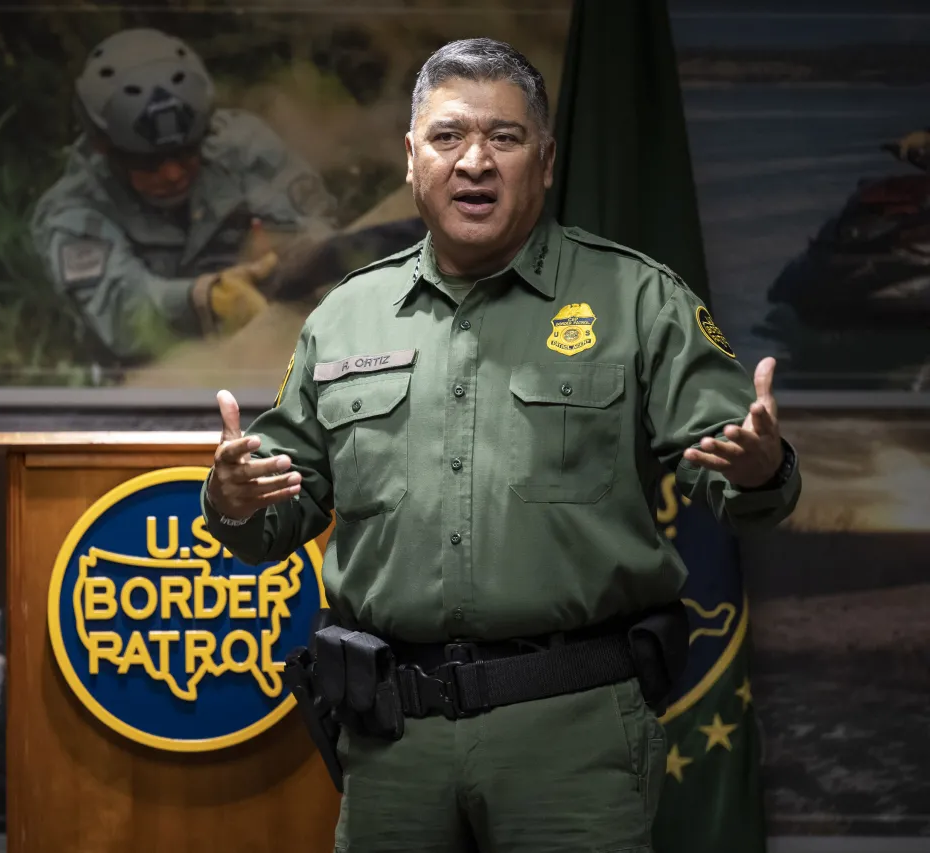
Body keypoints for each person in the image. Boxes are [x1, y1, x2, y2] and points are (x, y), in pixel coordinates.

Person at [200, 37, 801, 853]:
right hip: (393, 739)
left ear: (545, 161)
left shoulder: (636, 298)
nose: (474, 160)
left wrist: (761, 467)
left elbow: (737, 475)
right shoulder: (345, 316)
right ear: (411, 158)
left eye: (505, 138)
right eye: (448, 137)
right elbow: (279, 506)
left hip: (572, 731)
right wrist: (234, 500)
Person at [30, 28, 338, 368]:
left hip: (276, 342)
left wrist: (289, 256)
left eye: (186, 151)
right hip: (151, 384)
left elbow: (318, 227)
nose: (173, 174)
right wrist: (205, 298)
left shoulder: (243, 147)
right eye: (148, 161)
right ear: (105, 148)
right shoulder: (73, 210)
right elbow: (122, 311)